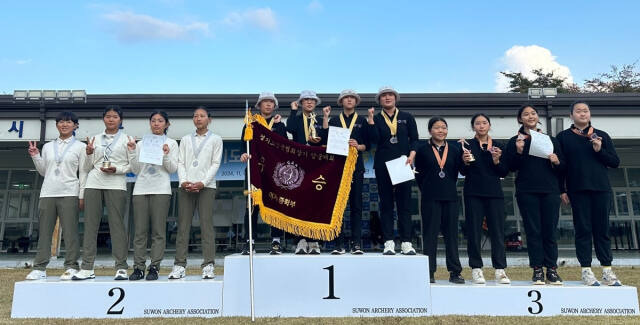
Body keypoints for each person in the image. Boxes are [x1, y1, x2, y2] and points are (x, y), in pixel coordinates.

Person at [557, 101, 622, 286]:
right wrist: (562, 189)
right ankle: (586, 270)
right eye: (578, 111)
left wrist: (599, 150)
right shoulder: (563, 137)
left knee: (602, 230)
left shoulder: (601, 135)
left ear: (590, 114)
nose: (583, 114)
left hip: (601, 189)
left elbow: (615, 162)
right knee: (583, 230)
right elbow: (561, 167)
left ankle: (607, 270)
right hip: (577, 190)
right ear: (571, 115)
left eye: (585, 111)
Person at [504, 104, 565, 285]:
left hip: (550, 191)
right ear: (520, 119)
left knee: (550, 231)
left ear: (537, 117)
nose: (530, 116)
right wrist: (519, 151)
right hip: (527, 191)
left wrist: (556, 161)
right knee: (533, 231)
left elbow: (563, 168)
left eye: (533, 113)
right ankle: (537, 269)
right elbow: (510, 167)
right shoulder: (514, 141)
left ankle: (552, 269)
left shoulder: (550, 140)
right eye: (526, 114)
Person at [25, 111, 86, 280]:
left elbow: (83, 173)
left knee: (70, 232)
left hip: (69, 192)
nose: (64, 124)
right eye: (60, 122)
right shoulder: (47, 147)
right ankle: (40, 268)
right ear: (57, 125)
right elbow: (44, 171)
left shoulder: (80, 147)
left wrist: (81, 196)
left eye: (68, 122)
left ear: (75, 125)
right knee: (44, 231)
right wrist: (35, 156)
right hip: (48, 193)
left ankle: (72, 266)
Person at [74, 105, 132, 280]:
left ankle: (121, 267)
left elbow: (132, 166)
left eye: (115, 116)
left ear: (120, 120)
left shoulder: (127, 139)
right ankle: (87, 267)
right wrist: (89, 153)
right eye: (108, 116)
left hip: (116, 184)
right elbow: (85, 168)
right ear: (103, 119)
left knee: (117, 226)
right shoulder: (94, 139)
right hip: (94, 182)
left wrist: (117, 170)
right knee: (91, 225)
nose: (111, 119)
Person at [168, 106, 223, 280]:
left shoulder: (216, 139)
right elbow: (180, 162)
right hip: (186, 186)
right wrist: (183, 181)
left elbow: (215, 163)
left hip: (206, 187)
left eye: (202, 116)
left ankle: (208, 265)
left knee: (206, 226)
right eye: (195, 116)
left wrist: (202, 183)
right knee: (183, 226)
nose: (198, 119)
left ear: (209, 119)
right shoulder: (185, 139)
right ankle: (179, 265)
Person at [322, 89, 376, 255]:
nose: (349, 100)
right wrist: (325, 118)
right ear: (341, 102)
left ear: (356, 101)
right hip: (338, 167)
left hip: (356, 167)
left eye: (352, 98)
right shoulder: (335, 120)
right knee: (339, 206)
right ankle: (338, 244)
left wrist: (358, 146)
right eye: (346, 98)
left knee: (356, 205)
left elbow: (369, 143)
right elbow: (325, 139)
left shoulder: (362, 120)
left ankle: (356, 243)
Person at [127, 110, 178, 280]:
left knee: (158, 232)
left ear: (167, 124)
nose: (156, 123)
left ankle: (155, 266)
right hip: (141, 189)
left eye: (160, 121)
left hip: (161, 190)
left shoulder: (171, 143)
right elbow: (135, 170)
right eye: (153, 121)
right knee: (140, 232)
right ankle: (138, 267)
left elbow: (172, 169)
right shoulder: (142, 143)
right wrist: (133, 151)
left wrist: (164, 155)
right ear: (150, 123)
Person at [460, 113, 510, 285]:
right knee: (474, 231)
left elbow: (504, 171)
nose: (481, 126)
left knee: (497, 231)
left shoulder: (498, 145)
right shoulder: (466, 145)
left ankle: (500, 270)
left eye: (484, 123)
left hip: (494, 193)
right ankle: (476, 268)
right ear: (473, 126)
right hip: (473, 193)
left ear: (489, 125)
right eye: (477, 123)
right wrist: (465, 162)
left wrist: (497, 160)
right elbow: (462, 171)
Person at [369, 86, 419, 255]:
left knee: (404, 204)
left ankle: (406, 242)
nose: (387, 98)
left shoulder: (407, 117)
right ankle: (388, 242)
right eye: (384, 96)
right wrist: (370, 122)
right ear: (379, 100)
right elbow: (374, 140)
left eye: (390, 95)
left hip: (403, 164)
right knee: (386, 204)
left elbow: (415, 139)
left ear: (396, 98)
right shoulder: (375, 118)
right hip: (383, 165)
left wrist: (412, 155)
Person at [415, 117, 464, 284]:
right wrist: (428, 189)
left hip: (450, 197)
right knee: (430, 236)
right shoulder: (422, 150)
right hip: (430, 198)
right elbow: (420, 176)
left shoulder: (456, 149)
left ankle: (455, 272)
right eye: (437, 128)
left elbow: (461, 170)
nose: (441, 131)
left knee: (452, 236)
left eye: (444, 127)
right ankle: (428, 272)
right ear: (430, 131)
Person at [240, 92, 287, 255]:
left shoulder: (280, 125)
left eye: (271, 102)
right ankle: (249, 241)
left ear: (274, 106)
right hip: (254, 170)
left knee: (275, 205)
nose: (268, 105)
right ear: (259, 105)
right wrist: (243, 154)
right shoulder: (250, 123)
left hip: (274, 172)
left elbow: (284, 146)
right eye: (264, 102)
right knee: (252, 206)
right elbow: (243, 145)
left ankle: (276, 241)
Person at [286, 90, 327, 254]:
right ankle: (300, 240)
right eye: (306, 100)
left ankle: (314, 240)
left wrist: (318, 141)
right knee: (299, 203)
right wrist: (293, 110)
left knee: (315, 203)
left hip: (316, 164)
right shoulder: (296, 118)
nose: (309, 103)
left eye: (312, 100)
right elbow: (289, 129)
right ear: (301, 103)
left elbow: (325, 137)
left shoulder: (318, 119)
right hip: (300, 164)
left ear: (316, 103)